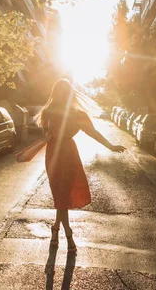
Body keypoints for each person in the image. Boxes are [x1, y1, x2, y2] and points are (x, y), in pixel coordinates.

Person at [36, 79, 125, 253]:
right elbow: (46, 133)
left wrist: (111, 146)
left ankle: (60, 230)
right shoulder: (48, 112)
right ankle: (64, 231)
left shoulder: (77, 114)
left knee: (63, 193)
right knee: (60, 194)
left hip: (66, 154)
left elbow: (93, 133)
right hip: (56, 153)